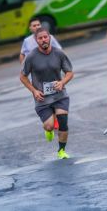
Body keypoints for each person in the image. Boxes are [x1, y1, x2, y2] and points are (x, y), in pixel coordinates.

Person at [20, 28, 74, 159]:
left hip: (59, 94)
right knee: (49, 126)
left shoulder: (59, 53)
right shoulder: (31, 57)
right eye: (40, 38)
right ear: (36, 40)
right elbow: (23, 76)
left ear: (49, 37)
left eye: (45, 37)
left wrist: (62, 82)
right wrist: (34, 90)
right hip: (42, 97)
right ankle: (48, 130)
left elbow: (70, 72)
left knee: (63, 121)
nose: (43, 40)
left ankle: (61, 151)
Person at [20, 17, 62, 130]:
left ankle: (55, 120)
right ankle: (49, 120)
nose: (37, 27)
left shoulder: (50, 38)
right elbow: (22, 55)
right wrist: (25, 68)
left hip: (51, 73)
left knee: (55, 95)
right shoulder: (27, 41)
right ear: (30, 28)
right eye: (34, 25)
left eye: (38, 25)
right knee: (42, 97)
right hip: (36, 76)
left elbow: (59, 51)